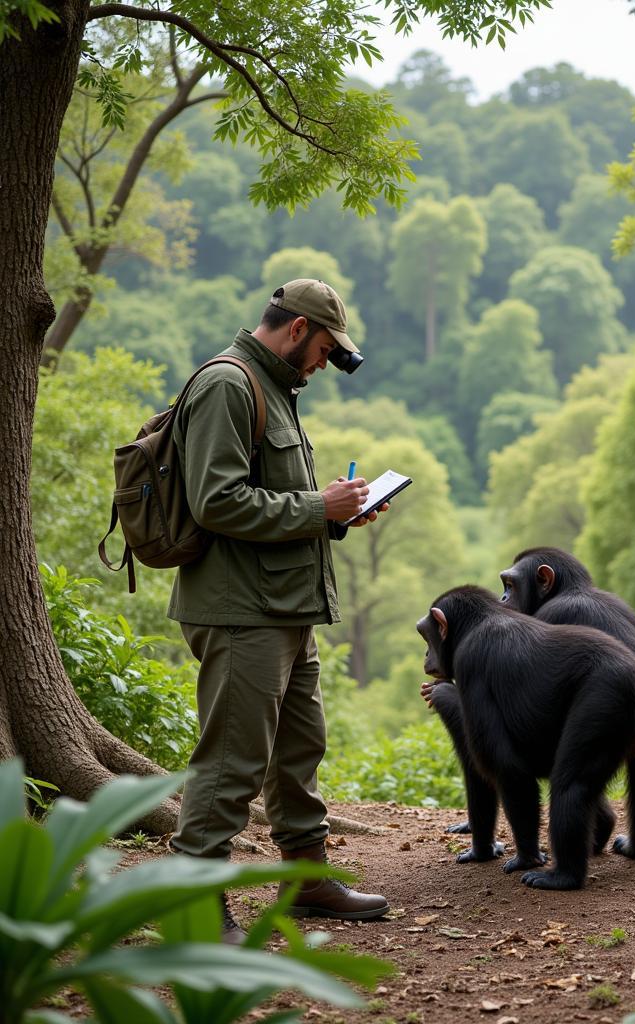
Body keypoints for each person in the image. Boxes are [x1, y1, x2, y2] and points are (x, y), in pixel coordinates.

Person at [168, 278, 390, 942]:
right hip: (242, 611)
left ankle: (305, 880)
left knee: (298, 750)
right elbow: (217, 501)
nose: (324, 364)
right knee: (233, 759)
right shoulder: (227, 386)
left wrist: (340, 514)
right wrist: (319, 507)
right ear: (297, 330)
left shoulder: (275, 390)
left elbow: (278, 503)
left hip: (286, 606)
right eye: (324, 350)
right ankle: (195, 904)